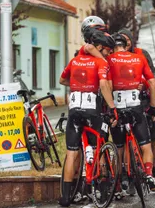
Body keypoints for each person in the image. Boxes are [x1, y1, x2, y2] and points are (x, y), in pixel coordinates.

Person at [58, 32, 117, 207]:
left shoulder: (75, 60)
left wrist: (79, 85)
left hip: (75, 109)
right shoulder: (101, 63)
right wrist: (112, 108)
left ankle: (66, 197)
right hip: (92, 111)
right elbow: (104, 85)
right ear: (100, 47)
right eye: (107, 50)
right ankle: (102, 189)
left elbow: (62, 80)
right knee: (98, 147)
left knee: (72, 153)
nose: (108, 54)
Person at [107, 33, 155, 195]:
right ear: (125, 45)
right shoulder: (139, 58)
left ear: (113, 47)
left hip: (118, 107)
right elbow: (152, 82)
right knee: (146, 145)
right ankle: (149, 175)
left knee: (119, 146)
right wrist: (152, 106)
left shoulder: (109, 60)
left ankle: (120, 177)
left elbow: (106, 84)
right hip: (136, 106)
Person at [118, 29, 155, 194]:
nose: (126, 44)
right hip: (126, 103)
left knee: (151, 141)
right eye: (122, 41)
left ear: (131, 42)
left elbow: (154, 77)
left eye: (128, 40)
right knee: (125, 141)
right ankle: (126, 176)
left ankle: (152, 175)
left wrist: (143, 83)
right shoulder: (114, 56)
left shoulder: (142, 54)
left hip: (144, 101)